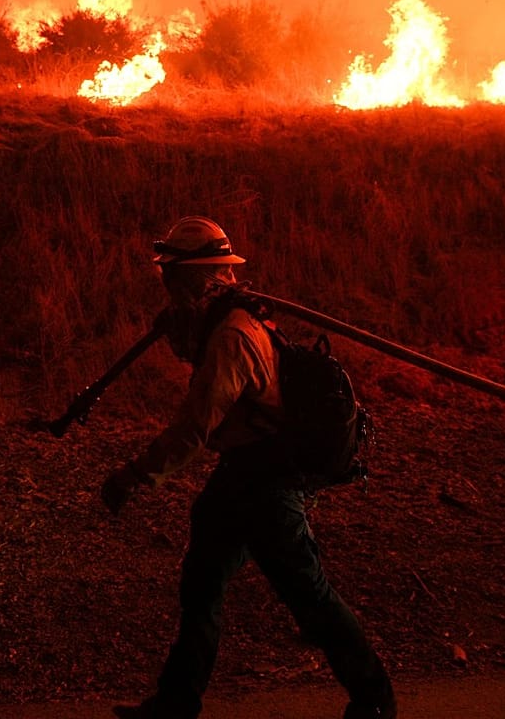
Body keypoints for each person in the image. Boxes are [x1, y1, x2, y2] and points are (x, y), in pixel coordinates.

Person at [101, 216, 396, 719]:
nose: (166, 284)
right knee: (202, 580)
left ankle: (374, 700)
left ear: (196, 277)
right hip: (243, 471)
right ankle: (177, 700)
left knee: (307, 592)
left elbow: (195, 428)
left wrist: (135, 475)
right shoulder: (225, 322)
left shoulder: (234, 336)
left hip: (266, 478)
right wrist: (179, 331)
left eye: (171, 275)